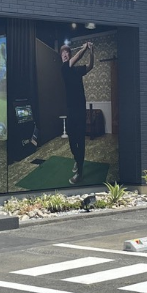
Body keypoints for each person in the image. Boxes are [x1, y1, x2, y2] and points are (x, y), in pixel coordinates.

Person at [60, 41, 94, 185]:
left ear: (70, 54)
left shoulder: (77, 70)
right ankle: (77, 159)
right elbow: (78, 57)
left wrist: (91, 51)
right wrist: (84, 48)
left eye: (67, 52)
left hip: (80, 109)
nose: (64, 55)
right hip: (70, 110)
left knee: (80, 139)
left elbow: (90, 66)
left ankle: (80, 172)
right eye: (62, 53)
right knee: (72, 140)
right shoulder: (64, 68)